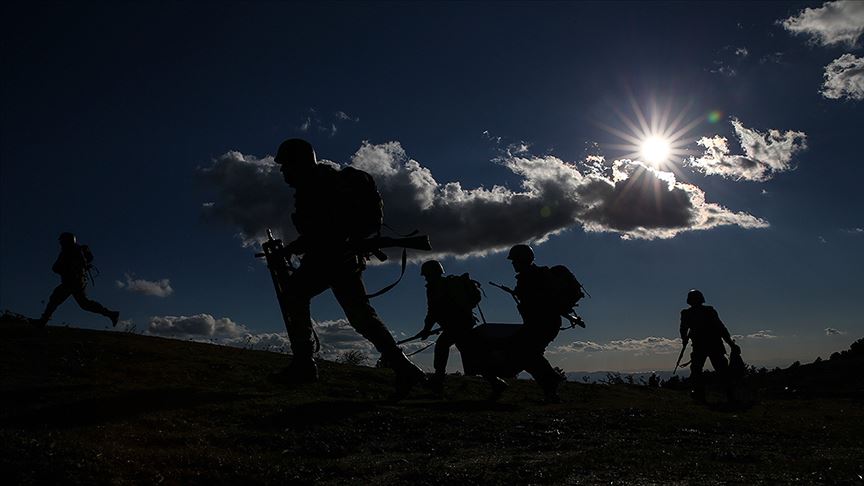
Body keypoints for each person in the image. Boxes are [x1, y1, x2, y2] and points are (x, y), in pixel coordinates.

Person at [271, 138, 425, 400]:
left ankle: (304, 365)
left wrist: (296, 246)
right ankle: (404, 367)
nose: (284, 172)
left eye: (286, 165)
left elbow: (325, 228)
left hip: (329, 257)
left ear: (299, 162)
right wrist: (298, 246)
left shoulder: (316, 186)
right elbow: (323, 228)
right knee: (361, 316)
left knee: (294, 296)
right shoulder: (324, 182)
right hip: (341, 257)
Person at [417, 260, 508, 398]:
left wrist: (426, 329)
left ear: (431, 274)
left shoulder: (435, 288)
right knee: (468, 353)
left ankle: (438, 382)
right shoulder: (445, 285)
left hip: (457, 325)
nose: (426, 278)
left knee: (444, 346)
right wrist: (428, 328)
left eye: (426, 275)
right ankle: (496, 382)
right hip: (462, 324)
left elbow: (433, 311)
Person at [506, 244, 567, 403]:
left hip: (542, 323)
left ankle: (551, 384)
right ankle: (551, 387)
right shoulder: (533, 275)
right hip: (543, 322)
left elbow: (536, 302)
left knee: (526, 353)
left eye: (514, 261)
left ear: (522, 260)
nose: (513, 264)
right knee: (528, 353)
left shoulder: (530, 277)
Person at [31, 232, 119, 327]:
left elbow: (58, 267)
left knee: (55, 299)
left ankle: (43, 321)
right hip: (77, 281)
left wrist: (64, 269)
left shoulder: (72, 251)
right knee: (84, 304)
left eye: (62, 241)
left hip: (73, 281)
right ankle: (111, 314)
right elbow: (56, 267)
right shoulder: (71, 251)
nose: (61, 243)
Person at [679, 289, 739, 401]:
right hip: (711, 345)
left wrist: (685, 339)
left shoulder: (688, 313)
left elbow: (683, 330)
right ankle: (728, 394)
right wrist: (730, 344)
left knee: (701, 370)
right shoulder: (707, 311)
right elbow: (721, 328)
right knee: (718, 370)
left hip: (705, 345)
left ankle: (700, 394)